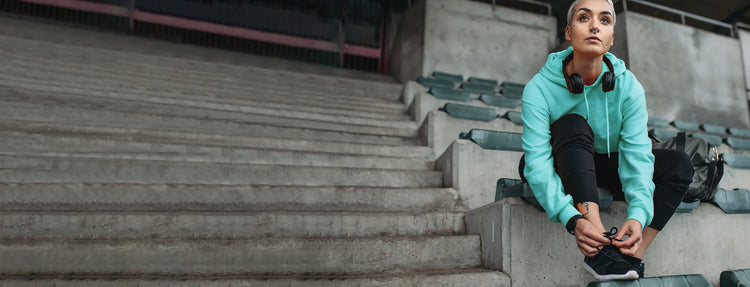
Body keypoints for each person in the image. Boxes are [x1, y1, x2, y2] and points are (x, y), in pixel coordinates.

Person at [518, 0, 694, 281]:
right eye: (584, 18)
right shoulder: (538, 88)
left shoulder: (629, 87)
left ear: (611, 38)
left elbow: (638, 156)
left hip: (609, 163)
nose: (594, 26)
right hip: (564, 164)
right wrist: (571, 218)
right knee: (573, 123)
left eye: (605, 20)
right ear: (568, 32)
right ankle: (597, 248)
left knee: (680, 165)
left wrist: (637, 215)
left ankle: (631, 255)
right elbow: (537, 163)